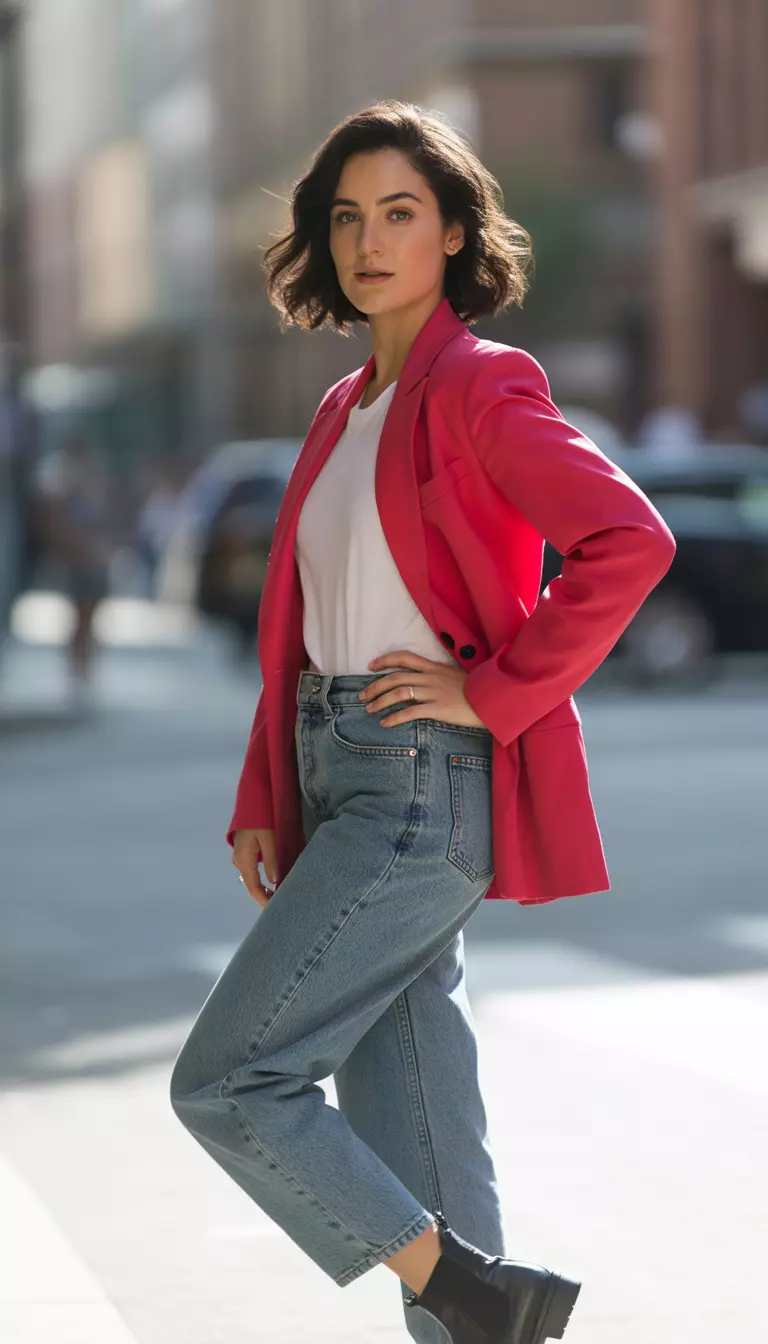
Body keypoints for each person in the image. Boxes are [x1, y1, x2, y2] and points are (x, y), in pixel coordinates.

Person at [170, 101, 676, 1343]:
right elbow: (302, 628)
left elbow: (630, 541)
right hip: (340, 773)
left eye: (401, 213)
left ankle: (474, 1295)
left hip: (419, 789)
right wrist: (263, 794)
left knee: (233, 1081)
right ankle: (476, 1297)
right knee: (431, 1164)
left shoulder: (480, 384)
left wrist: (495, 689)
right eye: (348, 217)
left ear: (452, 234)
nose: (369, 240)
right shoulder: (342, 408)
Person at [32, 433, 113, 706]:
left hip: (94, 558)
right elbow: (52, 523)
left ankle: (86, 670)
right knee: (78, 616)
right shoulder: (60, 483)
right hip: (75, 561)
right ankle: (76, 671)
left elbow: (105, 519)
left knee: (91, 616)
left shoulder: (95, 483)